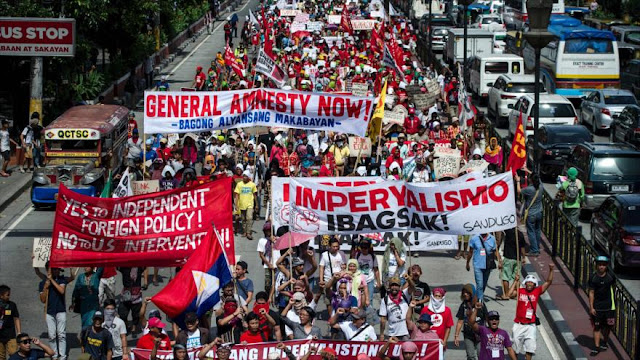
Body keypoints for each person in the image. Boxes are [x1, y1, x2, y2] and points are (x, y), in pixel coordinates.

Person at [508, 264, 554, 360]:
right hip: (518, 324)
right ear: (525, 283)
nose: (529, 284)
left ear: (534, 284)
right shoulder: (520, 290)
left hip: (530, 325)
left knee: (530, 349)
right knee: (515, 349)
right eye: (528, 282)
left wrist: (551, 270)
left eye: (531, 283)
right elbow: (509, 294)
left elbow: (549, 282)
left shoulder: (537, 291)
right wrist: (515, 281)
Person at [38, 263, 67, 360]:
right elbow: (42, 299)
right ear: (48, 270)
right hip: (49, 312)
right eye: (54, 269)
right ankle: (54, 355)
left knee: (61, 334)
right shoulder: (42, 283)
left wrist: (52, 281)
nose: (57, 271)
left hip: (60, 310)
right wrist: (46, 286)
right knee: (52, 335)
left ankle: (62, 356)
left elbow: (62, 291)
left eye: (57, 269)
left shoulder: (62, 279)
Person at [588, 256, 616, 356]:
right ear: (597, 265)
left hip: (609, 307)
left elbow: (613, 288)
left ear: (606, 266)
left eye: (603, 265)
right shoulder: (593, 277)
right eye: (599, 265)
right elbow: (591, 292)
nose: (601, 267)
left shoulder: (610, 276)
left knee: (608, 326)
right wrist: (591, 307)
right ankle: (596, 347)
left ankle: (604, 341)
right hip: (597, 307)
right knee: (597, 327)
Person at [454, 284, 486, 359]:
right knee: (470, 355)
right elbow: (460, 321)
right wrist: (456, 336)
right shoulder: (463, 305)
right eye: (464, 293)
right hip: (468, 335)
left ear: (472, 292)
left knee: (481, 354)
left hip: (480, 334)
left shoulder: (480, 303)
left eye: (467, 292)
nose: (465, 294)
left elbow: (487, 317)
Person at [467, 233, 499, 302]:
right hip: (478, 265)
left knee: (483, 284)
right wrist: (467, 263)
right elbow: (470, 251)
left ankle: (477, 297)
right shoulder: (474, 238)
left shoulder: (492, 238)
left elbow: (495, 251)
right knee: (480, 284)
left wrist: (500, 261)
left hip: (488, 265)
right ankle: (480, 302)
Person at [517, 173, 542, 256]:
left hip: (531, 214)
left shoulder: (529, 189)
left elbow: (519, 191)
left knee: (531, 231)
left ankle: (534, 250)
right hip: (539, 212)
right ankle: (537, 246)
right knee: (537, 230)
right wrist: (528, 170)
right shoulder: (540, 187)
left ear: (531, 180)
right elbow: (538, 179)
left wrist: (517, 181)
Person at [497, 228, 526, 300]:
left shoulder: (509, 232)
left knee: (505, 277)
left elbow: (501, 228)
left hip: (508, 258)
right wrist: (524, 257)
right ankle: (515, 292)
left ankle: (506, 294)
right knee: (517, 277)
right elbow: (522, 247)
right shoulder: (520, 234)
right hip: (517, 259)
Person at [353, 237, 381, 305]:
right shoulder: (357, 255)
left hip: (369, 280)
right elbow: (354, 267)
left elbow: (376, 270)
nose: (364, 250)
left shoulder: (372, 256)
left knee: (370, 298)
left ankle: (369, 314)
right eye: (362, 248)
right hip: (359, 280)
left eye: (365, 248)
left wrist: (378, 282)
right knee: (358, 298)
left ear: (368, 248)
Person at [257, 223, 280, 300]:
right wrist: (268, 264)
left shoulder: (278, 239)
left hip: (278, 264)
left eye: (269, 230)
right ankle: (268, 296)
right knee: (267, 284)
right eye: (266, 230)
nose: (268, 232)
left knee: (276, 282)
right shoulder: (262, 241)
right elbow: (261, 254)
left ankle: (275, 297)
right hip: (268, 265)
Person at [234, 170, 257, 239]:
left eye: (246, 176)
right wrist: (236, 205)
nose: (244, 177)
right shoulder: (239, 184)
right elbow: (237, 195)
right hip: (242, 204)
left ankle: (248, 232)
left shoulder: (252, 184)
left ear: (248, 177)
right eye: (243, 176)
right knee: (243, 219)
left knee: (249, 218)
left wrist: (257, 204)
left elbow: (255, 195)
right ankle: (244, 231)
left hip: (250, 204)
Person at [0, 285, 20, 360]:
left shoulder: (12, 305)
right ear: (1, 295)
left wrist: (19, 332)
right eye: (7, 295)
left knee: (13, 353)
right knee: (1, 356)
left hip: (10, 334)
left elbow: (16, 318)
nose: (9, 296)